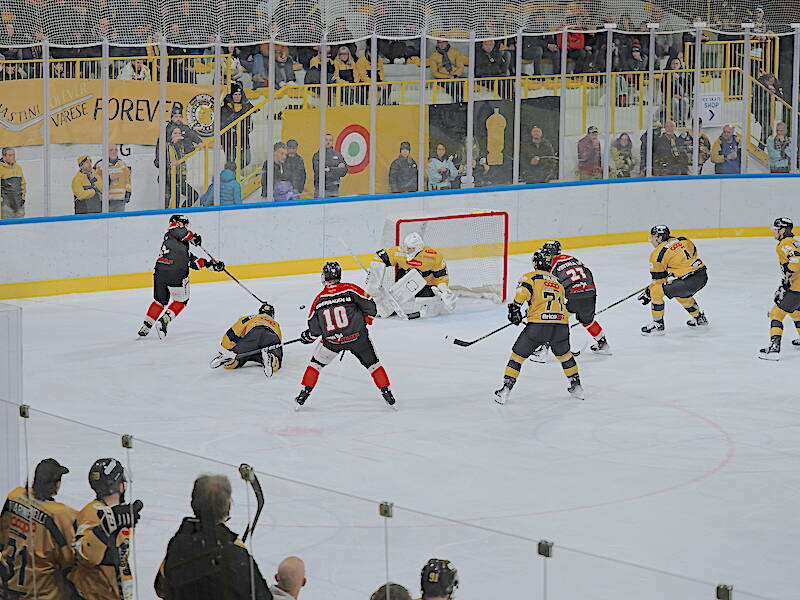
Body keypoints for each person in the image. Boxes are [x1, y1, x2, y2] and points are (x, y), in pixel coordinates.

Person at [294, 261, 396, 409]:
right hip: (358, 339)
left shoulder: (319, 299)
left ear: (324, 277)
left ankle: (304, 394)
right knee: (374, 365)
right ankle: (387, 393)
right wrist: (365, 318)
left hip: (332, 342)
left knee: (315, 365)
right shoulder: (350, 289)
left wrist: (307, 336)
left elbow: (315, 331)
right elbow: (371, 307)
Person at [154, 474, 272, 600]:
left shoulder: (178, 544)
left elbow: (161, 588)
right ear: (228, 507)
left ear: (193, 504)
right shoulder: (236, 554)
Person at [494, 251, 584, 404]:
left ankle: (505, 390)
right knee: (565, 356)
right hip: (561, 325)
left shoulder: (531, 277)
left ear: (535, 263)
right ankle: (577, 387)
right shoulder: (558, 282)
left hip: (538, 325)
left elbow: (523, 293)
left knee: (517, 357)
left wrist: (515, 308)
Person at [138, 214, 224, 339]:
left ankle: (146, 327)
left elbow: (193, 262)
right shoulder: (173, 231)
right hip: (176, 271)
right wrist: (193, 237)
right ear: (178, 223)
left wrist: (211, 264)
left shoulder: (176, 244)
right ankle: (164, 321)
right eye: (184, 224)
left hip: (160, 271)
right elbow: (180, 231)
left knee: (160, 301)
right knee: (181, 301)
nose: (186, 226)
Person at [0, 458, 76, 600]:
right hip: (40, 593)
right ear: (56, 485)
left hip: (6, 589)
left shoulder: (14, 496)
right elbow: (70, 560)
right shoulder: (60, 515)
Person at [70, 459, 143, 600]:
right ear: (120, 486)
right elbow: (85, 555)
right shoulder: (92, 513)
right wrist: (104, 529)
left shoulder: (121, 515)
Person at [540, 240, 610, 354]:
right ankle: (603, 344)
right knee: (587, 320)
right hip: (589, 292)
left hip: (572, 295)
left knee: (554, 319)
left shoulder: (551, 264)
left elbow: (552, 286)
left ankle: (543, 350)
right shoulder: (573, 259)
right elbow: (588, 273)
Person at [638, 225, 709, 335]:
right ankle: (699, 318)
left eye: (652, 237)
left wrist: (649, 292)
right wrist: (678, 269)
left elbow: (659, 282)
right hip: (702, 275)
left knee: (656, 292)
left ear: (659, 238)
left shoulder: (657, 255)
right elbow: (693, 253)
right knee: (679, 292)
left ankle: (658, 325)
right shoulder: (682, 240)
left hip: (688, 282)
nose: (651, 240)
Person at [368, 232, 456, 319]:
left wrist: (444, 291)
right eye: (405, 247)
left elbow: (441, 278)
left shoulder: (432, 257)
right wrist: (375, 276)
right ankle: (386, 307)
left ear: (417, 248)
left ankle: (433, 297)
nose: (406, 250)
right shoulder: (399, 253)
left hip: (427, 284)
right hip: (406, 279)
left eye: (409, 248)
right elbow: (379, 257)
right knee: (398, 291)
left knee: (424, 302)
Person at [758, 217, 800, 360]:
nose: (774, 233)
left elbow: (796, 260)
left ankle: (775, 349)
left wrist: (789, 270)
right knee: (796, 312)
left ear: (783, 230)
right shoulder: (795, 241)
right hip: (796, 285)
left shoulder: (785, 244)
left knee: (776, 314)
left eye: (776, 230)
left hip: (798, 288)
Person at [210, 302, 283, 377]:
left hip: (254, 334)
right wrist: (277, 354)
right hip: (271, 336)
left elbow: (235, 331)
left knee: (240, 357)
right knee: (275, 362)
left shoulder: (250, 317)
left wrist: (227, 347)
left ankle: (230, 359)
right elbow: (278, 340)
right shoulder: (276, 324)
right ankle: (271, 358)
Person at [154, 104, 202, 169]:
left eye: (180, 116)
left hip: (181, 164)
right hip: (169, 164)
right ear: (171, 118)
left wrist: (199, 142)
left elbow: (192, 135)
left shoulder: (185, 128)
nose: (178, 118)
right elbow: (160, 151)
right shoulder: (166, 131)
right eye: (176, 116)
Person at [221, 86, 254, 169]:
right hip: (229, 140)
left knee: (247, 160)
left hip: (243, 139)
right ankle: (232, 176)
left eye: (239, 94)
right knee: (230, 162)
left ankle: (236, 174)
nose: (238, 96)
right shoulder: (225, 108)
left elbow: (255, 109)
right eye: (235, 94)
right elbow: (224, 123)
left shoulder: (245, 107)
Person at [94, 146, 132, 212]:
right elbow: (96, 183)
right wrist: (109, 179)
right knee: (107, 221)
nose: (114, 152)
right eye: (111, 150)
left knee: (119, 221)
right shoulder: (100, 165)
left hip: (120, 200)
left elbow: (128, 180)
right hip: (106, 201)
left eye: (115, 150)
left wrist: (128, 193)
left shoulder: (122, 164)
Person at [0, 147, 25, 219]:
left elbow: (23, 184)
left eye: (14, 155)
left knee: (20, 226)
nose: (13, 157)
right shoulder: (1, 169)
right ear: (4, 156)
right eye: (10, 155)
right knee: (7, 227)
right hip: (5, 205)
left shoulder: (18, 168)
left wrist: (23, 198)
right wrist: (1, 201)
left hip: (18, 203)